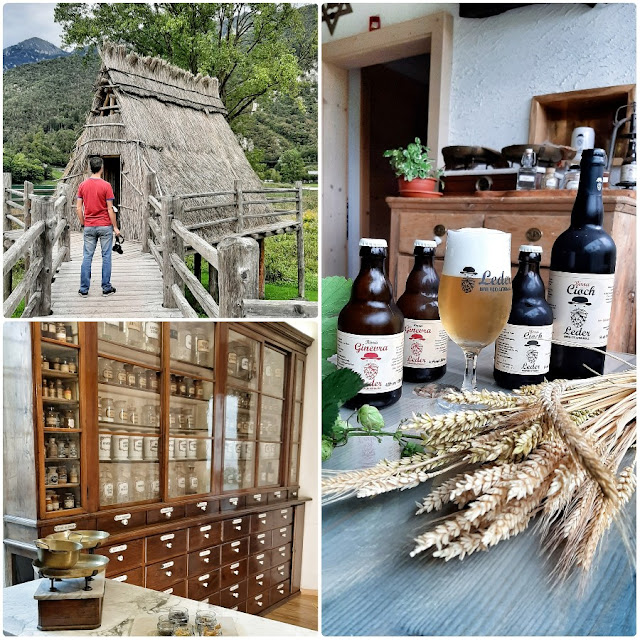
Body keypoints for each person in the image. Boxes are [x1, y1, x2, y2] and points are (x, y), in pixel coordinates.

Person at [76, 156, 121, 296]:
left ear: (90, 168)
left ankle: (84, 290)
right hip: (105, 226)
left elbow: (78, 208)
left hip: (89, 225)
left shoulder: (82, 185)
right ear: (102, 167)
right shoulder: (106, 186)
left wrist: (84, 223)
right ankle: (106, 288)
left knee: (87, 257)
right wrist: (115, 227)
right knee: (106, 256)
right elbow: (110, 209)